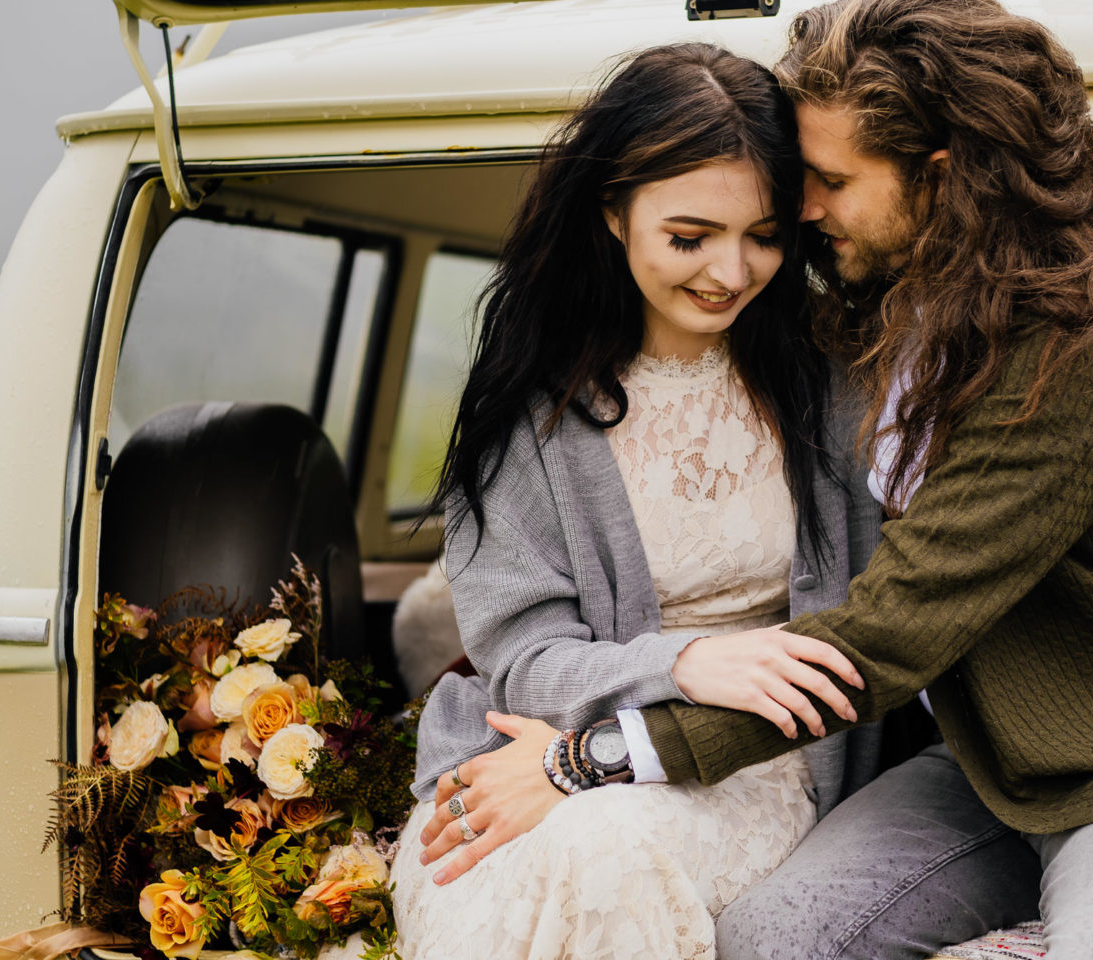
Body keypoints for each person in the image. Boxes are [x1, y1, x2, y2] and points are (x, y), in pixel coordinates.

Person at [414, 3, 1093, 959]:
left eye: (829, 181)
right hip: (975, 764)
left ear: (940, 179)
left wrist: (590, 761)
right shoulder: (870, 319)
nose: (798, 215)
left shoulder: (1076, 352)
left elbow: (888, 633)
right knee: (771, 940)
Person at [389, 42, 890, 959]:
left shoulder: (836, 376)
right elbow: (525, 661)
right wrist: (685, 661)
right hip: (533, 744)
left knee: (609, 849)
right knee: (535, 864)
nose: (732, 273)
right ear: (614, 213)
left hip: (757, 760)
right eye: (691, 237)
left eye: (766, 235)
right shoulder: (529, 408)